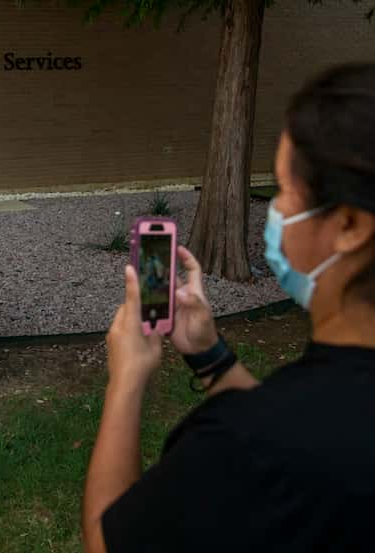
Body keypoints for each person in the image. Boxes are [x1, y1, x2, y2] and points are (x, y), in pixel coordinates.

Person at [81, 63, 375, 552]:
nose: (275, 212)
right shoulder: (313, 423)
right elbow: (322, 420)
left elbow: (107, 541)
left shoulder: (249, 448)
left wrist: (128, 378)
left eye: (284, 191)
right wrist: (210, 355)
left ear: (348, 224)